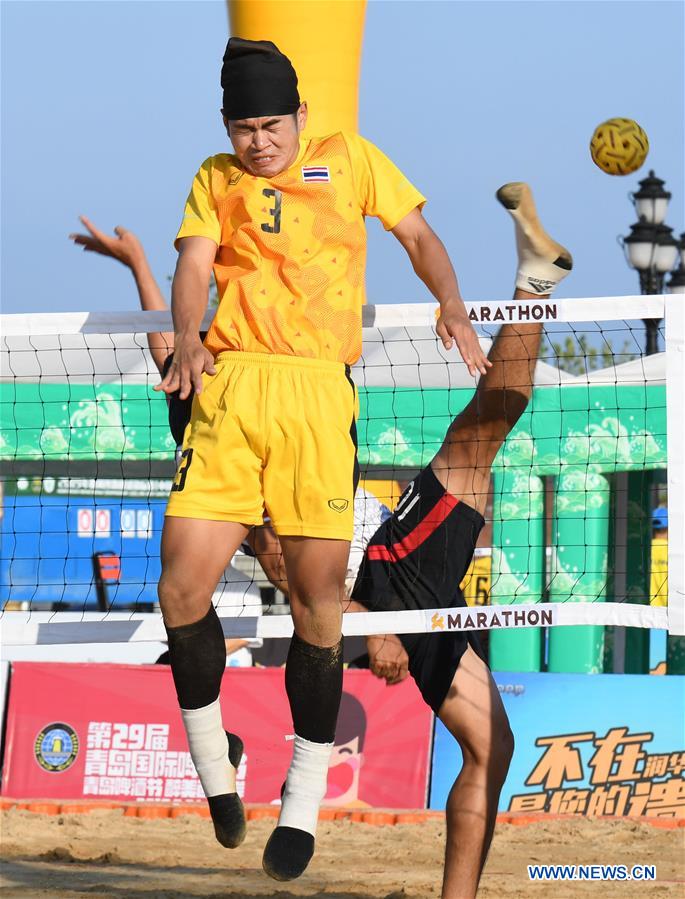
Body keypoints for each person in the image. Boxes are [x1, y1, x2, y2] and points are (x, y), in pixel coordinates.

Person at [153, 36, 487, 882]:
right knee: (180, 587)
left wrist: (449, 299)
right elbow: (192, 263)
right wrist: (188, 333)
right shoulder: (214, 177)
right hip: (231, 390)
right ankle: (215, 772)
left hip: (314, 394)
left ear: (301, 114)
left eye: (269, 124)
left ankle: (300, 800)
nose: (256, 141)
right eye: (241, 127)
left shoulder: (351, 160)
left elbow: (416, 233)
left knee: (316, 606)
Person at [199, 181, 572, 898]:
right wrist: (374, 628)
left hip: (396, 570)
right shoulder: (239, 490)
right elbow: (296, 577)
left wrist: (152, 288)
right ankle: (532, 282)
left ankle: (534, 281)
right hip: (390, 591)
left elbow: (175, 355)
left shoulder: (256, 407)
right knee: (493, 748)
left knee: (487, 426)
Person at [68, 218, 262, 665]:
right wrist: (137, 262)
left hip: (235, 653)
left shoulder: (253, 412)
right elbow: (166, 342)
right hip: (201, 619)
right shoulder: (194, 404)